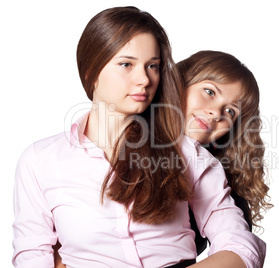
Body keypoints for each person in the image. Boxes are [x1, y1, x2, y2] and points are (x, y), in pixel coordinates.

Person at [13, 6, 265, 268]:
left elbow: (240, 246)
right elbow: (32, 253)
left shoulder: (191, 156)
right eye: (126, 64)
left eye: (152, 66)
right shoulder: (40, 160)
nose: (144, 79)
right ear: (90, 73)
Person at [178, 51, 272, 244]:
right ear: (179, 82)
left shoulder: (222, 189)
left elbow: (237, 248)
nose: (215, 113)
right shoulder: (119, 135)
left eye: (230, 111)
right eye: (210, 92)